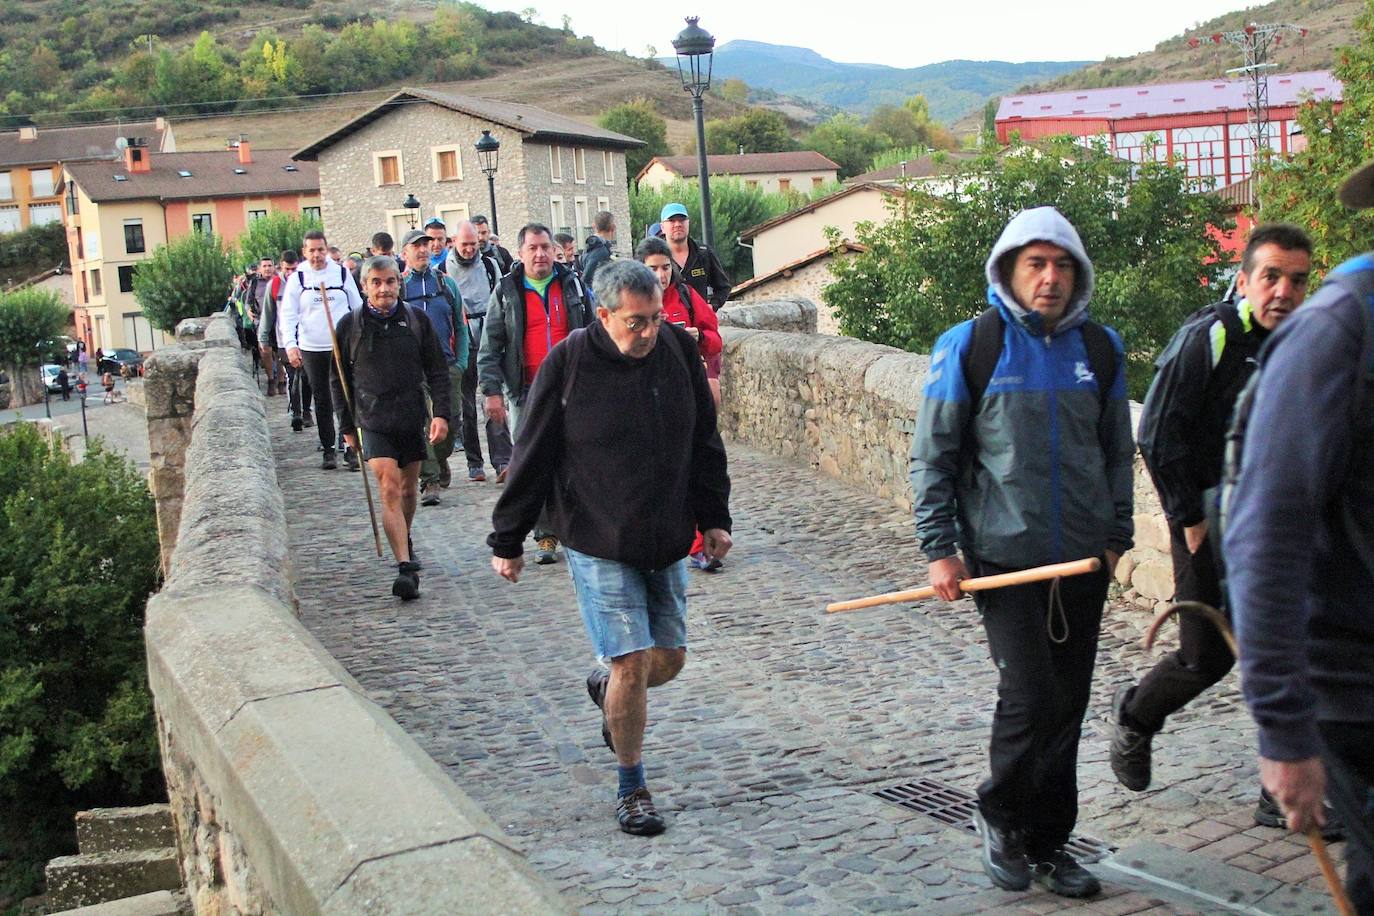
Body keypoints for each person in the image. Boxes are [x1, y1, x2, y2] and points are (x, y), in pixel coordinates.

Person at [910, 207, 1133, 899]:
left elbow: (1116, 452)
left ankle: (1050, 842)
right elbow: (933, 457)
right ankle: (1000, 813)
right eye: (1036, 263)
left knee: (1068, 703)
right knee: (1030, 694)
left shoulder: (1100, 349)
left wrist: (1116, 535)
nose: (1050, 277)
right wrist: (940, 548)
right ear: (1008, 269)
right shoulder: (970, 346)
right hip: (1004, 558)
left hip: (1082, 562)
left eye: (1062, 264)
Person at [488, 259, 732, 836]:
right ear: (603, 315)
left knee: (666, 659)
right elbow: (533, 453)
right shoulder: (569, 363)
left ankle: (605, 687)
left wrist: (715, 517)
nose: (648, 332)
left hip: (666, 533)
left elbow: (704, 439)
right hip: (597, 535)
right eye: (635, 323)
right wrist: (509, 537)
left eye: (653, 319)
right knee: (628, 659)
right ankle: (632, 787)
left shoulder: (676, 350)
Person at [1111, 226, 1323, 819]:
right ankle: (1135, 716)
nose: (1284, 291)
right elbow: (1156, 431)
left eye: (1298, 280)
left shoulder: (1304, 342)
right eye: (1272, 277)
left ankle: (1275, 793)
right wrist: (1187, 516)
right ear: (1245, 279)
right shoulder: (1212, 336)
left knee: (1299, 649)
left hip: (1277, 525)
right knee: (1206, 656)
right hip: (1205, 520)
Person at [1224, 159, 1374, 913]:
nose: (1281, 291)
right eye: (1269, 277)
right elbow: (1264, 534)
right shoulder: (1337, 333)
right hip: (1359, 687)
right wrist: (1284, 731)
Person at [332, 256, 451, 600]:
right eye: (376, 282)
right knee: (390, 487)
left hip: (410, 415)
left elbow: (438, 371)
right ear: (364, 286)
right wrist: (346, 425)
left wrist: (440, 414)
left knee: (410, 490)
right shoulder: (349, 325)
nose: (383, 289)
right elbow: (337, 380)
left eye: (390, 282)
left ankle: (404, 536)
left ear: (399, 283)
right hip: (371, 418)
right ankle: (404, 567)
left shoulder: (417, 321)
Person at [478, 223, 595, 564]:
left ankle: (575, 525)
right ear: (521, 253)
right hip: (524, 388)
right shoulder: (507, 291)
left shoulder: (572, 284)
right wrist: (492, 392)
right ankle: (544, 534)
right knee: (532, 462)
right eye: (533, 248)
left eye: (545, 247)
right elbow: (491, 345)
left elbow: (593, 330)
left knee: (574, 457)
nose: (540, 254)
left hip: (571, 386)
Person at [636, 236, 725, 570]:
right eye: (652, 269)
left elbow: (715, 340)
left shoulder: (687, 296)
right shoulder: (631, 304)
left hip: (688, 396)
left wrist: (697, 337)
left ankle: (701, 543)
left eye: (664, 268)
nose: (660, 275)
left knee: (698, 468)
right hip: (648, 400)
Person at [281, 230, 364, 470]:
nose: (317, 255)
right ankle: (328, 448)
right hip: (312, 347)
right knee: (322, 398)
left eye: (320, 249)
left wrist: (358, 338)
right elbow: (288, 315)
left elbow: (357, 306)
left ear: (326, 250)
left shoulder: (340, 273)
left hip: (340, 345)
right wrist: (291, 345)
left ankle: (350, 447)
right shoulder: (298, 279)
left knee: (347, 396)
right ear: (304, 252)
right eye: (312, 250)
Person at [398, 228, 468, 505]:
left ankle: (440, 460)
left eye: (426, 245)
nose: (423, 250)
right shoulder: (401, 287)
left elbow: (461, 327)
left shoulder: (446, 285)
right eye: (416, 246)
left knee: (449, 424)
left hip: (447, 365)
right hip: (413, 369)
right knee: (423, 423)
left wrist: (461, 362)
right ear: (405, 254)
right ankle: (430, 481)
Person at [445, 220, 512, 483]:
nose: (470, 249)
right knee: (467, 404)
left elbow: (501, 299)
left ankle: (502, 460)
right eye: (465, 244)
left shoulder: (489, 265)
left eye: (474, 244)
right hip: (463, 340)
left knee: (493, 398)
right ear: (454, 242)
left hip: (489, 337)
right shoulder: (445, 270)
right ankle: (475, 462)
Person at [660, 203, 731, 311]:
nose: (678, 224)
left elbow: (723, 287)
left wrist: (711, 307)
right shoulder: (655, 256)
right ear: (662, 227)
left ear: (688, 223)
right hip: (669, 324)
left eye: (682, 220)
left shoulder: (704, 253)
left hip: (700, 324)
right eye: (672, 221)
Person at [580, 210, 616, 289]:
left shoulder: (590, 247)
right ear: (613, 227)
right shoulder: (601, 250)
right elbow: (586, 279)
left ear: (594, 226)